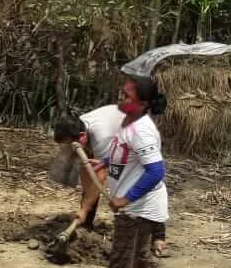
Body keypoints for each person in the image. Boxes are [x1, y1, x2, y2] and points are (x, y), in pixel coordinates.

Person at [80, 77, 193, 268]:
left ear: (143, 104)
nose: (121, 99)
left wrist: (125, 198)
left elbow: (155, 171)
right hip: (135, 204)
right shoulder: (128, 122)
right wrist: (105, 163)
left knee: (120, 261)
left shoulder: (143, 130)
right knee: (140, 257)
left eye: (127, 97)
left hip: (138, 207)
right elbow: (124, 151)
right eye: (121, 93)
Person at [53, 106, 169, 256]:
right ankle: (87, 223)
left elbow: (99, 178)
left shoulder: (101, 138)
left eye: (71, 145)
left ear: (82, 136)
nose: (70, 149)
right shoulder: (79, 125)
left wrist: (83, 209)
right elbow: (88, 172)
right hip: (119, 131)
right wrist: (84, 208)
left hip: (135, 136)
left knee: (143, 181)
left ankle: (159, 236)